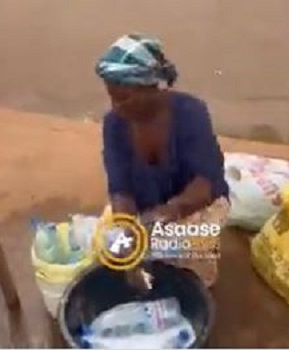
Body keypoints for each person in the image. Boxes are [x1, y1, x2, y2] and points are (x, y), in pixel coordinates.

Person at [95, 34, 230, 288]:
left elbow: (204, 185)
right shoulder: (114, 124)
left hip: (197, 205)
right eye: (111, 97)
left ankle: (196, 275)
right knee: (110, 244)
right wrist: (127, 227)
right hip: (147, 208)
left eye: (124, 97)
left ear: (151, 87)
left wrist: (160, 218)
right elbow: (120, 187)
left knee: (188, 251)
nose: (116, 107)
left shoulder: (191, 113)